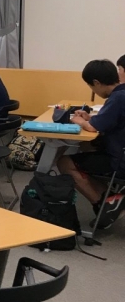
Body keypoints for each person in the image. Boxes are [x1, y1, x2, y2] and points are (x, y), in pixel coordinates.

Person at [57, 59, 125, 229]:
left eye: (91, 87)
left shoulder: (118, 98)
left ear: (96, 82)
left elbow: (93, 128)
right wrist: (90, 118)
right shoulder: (121, 94)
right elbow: (109, 121)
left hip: (119, 161)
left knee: (64, 162)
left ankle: (103, 205)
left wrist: (80, 121)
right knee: (85, 148)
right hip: (120, 151)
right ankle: (111, 198)